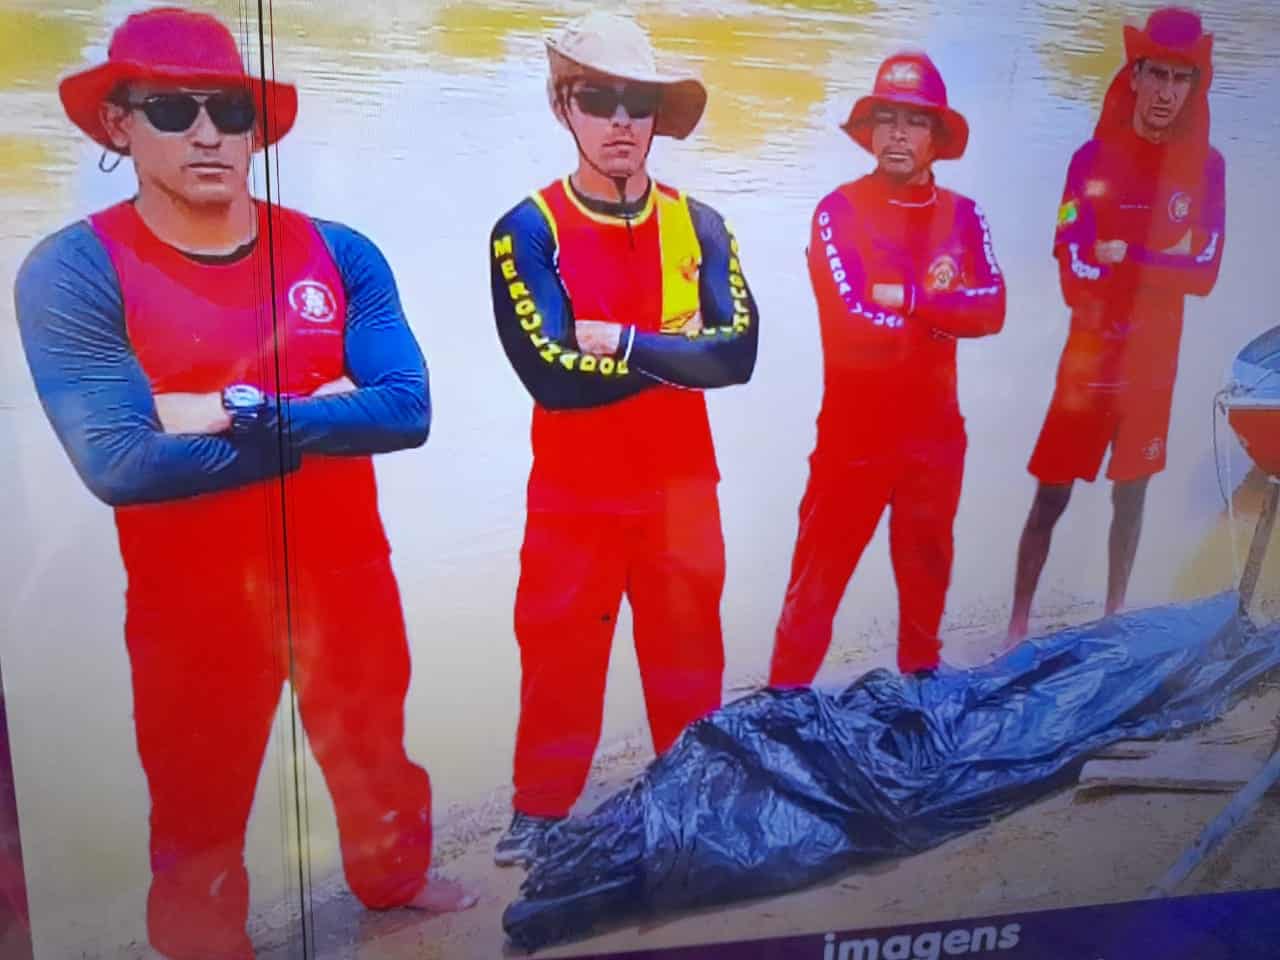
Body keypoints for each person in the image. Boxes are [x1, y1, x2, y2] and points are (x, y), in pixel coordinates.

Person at [14, 9, 473, 958]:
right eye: (172, 110)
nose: (208, 133)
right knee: (198, 798)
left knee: (374, 750)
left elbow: (407, 410)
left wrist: (215, 409)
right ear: (118, 124)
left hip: (345, 574)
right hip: (190, 600)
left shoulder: (340, 253)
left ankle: (394, 884)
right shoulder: (73, 270)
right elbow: (122, 464)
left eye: (230, 110)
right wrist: (317, 412)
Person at [488, 12, 759, 867]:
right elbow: (553, 377)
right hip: (574, 493)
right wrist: (682, 356)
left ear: (654, 117)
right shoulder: (528, 228)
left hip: (682, 489)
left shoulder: (700, 224)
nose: (619, 121)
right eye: (597, 100)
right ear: (562, 107)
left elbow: (741, 357)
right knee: (559, 648)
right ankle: (540, 808)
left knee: (689, 650)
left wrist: (627, 342)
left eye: (636, 104)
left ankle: (695, 789)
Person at [768, 51, 1005, 687]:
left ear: (936, 136)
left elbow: (994, 309)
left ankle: (919, 701)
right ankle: (782, 702)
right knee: (814, 590)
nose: (898, 134)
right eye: (887, 119)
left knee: (925, 590)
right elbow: (852, 323)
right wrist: (944, 316)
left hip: (936, 438)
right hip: (853, 440)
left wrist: (909, 299)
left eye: (915, 121)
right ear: (869, 131)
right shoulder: (838, 211)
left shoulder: (964, 216)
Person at [1008, 7, 1225, 643]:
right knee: (1051, 496)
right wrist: (1161, 262)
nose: (1166, 93)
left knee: (1132, 496)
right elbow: (1072, 265)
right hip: (1090, 360)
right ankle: (1015, 628)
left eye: (1181, 79)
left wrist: (1126, 258)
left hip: (1153, 366)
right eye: (1157, 74)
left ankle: (1112, 622)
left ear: (1193, 87)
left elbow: (1205, 274)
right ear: (1134, 75)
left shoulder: (1207, 169)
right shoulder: (1090, 159)